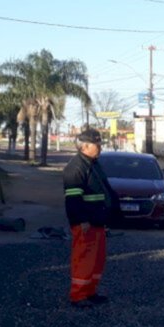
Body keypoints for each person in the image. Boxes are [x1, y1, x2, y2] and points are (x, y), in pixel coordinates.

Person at [63, 129, 118, 308]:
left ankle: (90, 292)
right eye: (97, 144)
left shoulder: (93, 164)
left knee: (96, 259)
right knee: (84, 259)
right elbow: (72, 199)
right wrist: (81, 220)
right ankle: (78, 296)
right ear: (85, 146)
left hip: (97, 222)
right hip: (85, 223)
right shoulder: (76, 167)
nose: (100, 147)